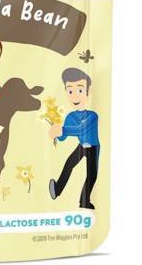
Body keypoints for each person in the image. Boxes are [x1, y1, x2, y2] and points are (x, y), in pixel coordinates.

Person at [48, 67, 99, 209]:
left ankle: (84, 201)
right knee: (69, 164)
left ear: (88, 91)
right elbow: (64, 137)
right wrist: (56, 132)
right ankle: (56, 189)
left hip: (93, 147)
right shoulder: (70, 116)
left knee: (92, 175)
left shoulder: (93, 115)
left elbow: (81, 129)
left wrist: (63, 130)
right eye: (70, 91)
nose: (75, 96)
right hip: (81, 146)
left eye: (80, 90)